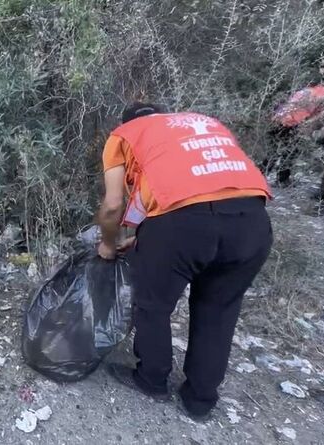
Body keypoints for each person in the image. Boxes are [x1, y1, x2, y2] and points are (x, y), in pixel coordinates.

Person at [97, 103, 273, 421]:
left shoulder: (125, 135)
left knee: (153, 304)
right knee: (219, 311)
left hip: (183, 225)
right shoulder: (204, 123)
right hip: (253, 223)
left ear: (128, 122)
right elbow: (188, 187)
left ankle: (152, 379)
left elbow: (113, 205)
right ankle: (200, 399)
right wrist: (146, 236)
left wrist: (108, 246)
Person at [266, 62, 324, 186]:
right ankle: (283, 180)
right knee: (291, 151)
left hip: (277, 119)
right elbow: (321, 114)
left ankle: (259, 175)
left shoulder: (302, 91)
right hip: (292, 123)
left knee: (273, 151)